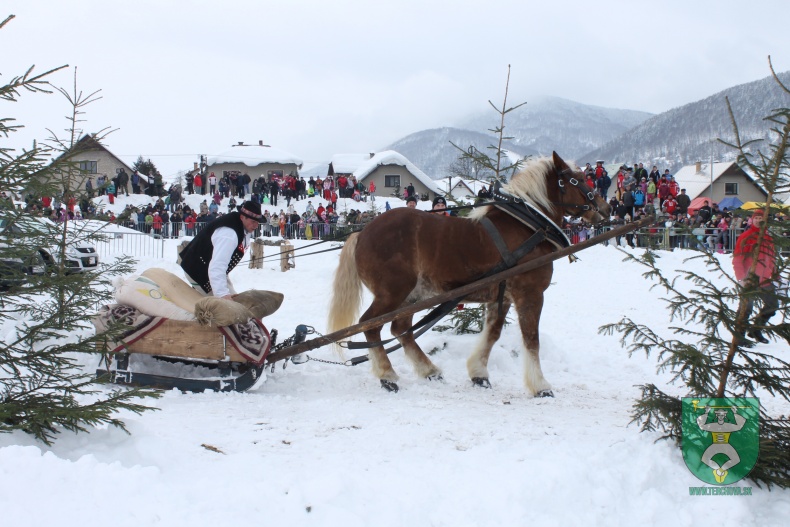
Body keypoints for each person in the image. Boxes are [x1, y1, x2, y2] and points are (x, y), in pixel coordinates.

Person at [179, 201, 262, 298]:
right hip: (197, 270)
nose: (256, 226)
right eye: (253, 221)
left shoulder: (242, 227)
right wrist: (222, 295)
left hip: (212, 269)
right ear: (242, 217)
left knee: (236, 301)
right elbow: (217, 265)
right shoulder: (229, 234)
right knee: (223, 305)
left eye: (257, 222)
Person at [732, 209, 777, 344]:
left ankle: (755, 330)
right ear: (752, 220)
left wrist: (774, 273)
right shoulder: (746, 236)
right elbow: (737, 258)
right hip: (750, 278)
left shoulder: (768, 237)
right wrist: (741, 277)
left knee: (772, 305)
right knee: (746, 308)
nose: (758, 220)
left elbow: (771, 258)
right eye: (756, 218)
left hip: (765, 278)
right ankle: (739, 336)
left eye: (760, 218)